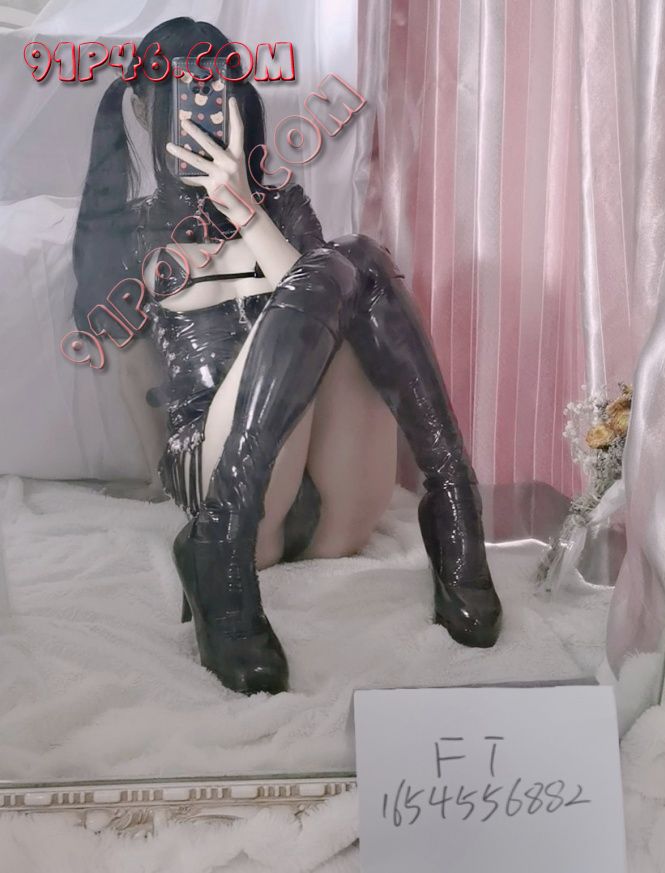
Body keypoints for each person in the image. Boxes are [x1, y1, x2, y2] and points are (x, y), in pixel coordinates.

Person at [73, 17, 502, 696]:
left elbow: (325, 305)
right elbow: (130, 373)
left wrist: (247, 212)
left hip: (337, 511)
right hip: (226, 482)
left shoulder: (279, 206)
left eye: (219, 96)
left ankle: (452, 498)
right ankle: (221, 542)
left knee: (353, 259)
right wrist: (156, 482)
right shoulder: (127, 232)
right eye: (184, 99)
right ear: (145, 109)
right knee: (338, 262)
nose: (204, 116)